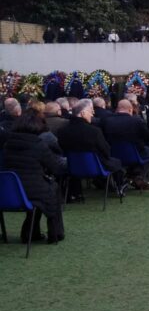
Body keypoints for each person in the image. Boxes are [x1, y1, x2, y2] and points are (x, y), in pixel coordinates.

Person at [3, 110, 67, 244]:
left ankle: (31, 232)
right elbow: (56, 167)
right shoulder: (38, 145)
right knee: (52, 189)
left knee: (40, 192)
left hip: (8, 191)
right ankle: (56, 232)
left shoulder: (7, 144)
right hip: (33, 190)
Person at [57, 99, 126, 199]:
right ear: (83, 113)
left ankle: (75, 192)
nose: (93, 113)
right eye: (91, 110)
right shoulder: (94, 131)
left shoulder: (62, 131)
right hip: (96, 166)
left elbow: (62, 148)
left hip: (72, 166)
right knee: (116, 162)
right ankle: (118, 188)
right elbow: (106, 150)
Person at [103, 99, 149, 190]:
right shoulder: (137, 121)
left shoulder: (106, 121)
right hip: (135, 154)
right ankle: (138, 175)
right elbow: (147, 137)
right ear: (130, 109)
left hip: (113, 154)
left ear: (117, 109)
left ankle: (133, 174)